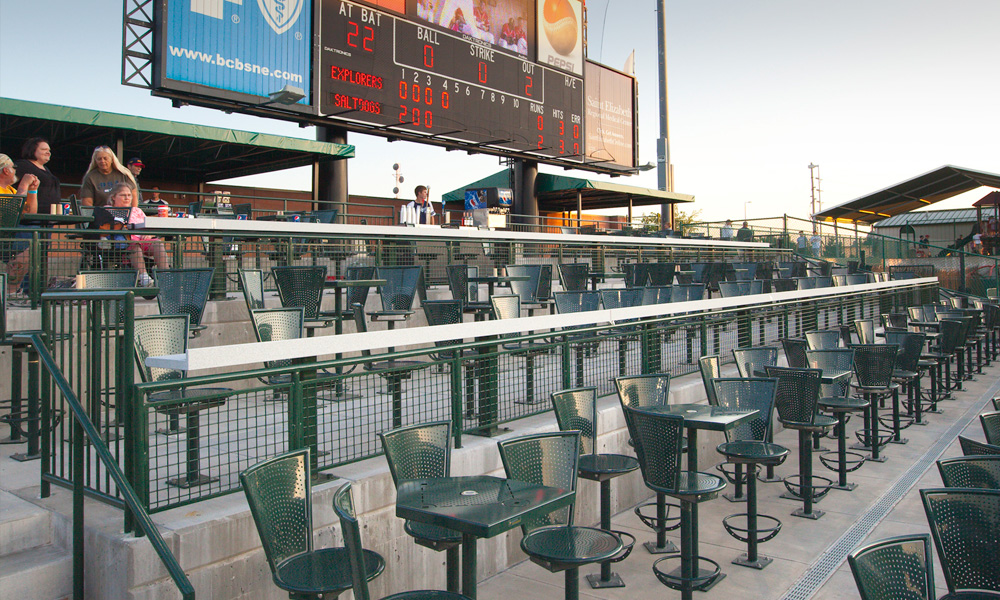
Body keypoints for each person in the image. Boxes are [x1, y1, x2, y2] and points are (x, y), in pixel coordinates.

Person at [108, 183, 168, 286]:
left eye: (129, 195)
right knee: (134, 245)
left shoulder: (137, 210)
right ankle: (144, 278)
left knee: (158, 244)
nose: (127, 198)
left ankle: (166, 278)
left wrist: (148, 234)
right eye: (123, 195)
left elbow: (148, 226)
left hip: (143, 241)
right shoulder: (108, 210)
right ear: (113, 197)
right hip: (124, 243)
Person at [0, 153, 41, 296]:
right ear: (6, 170)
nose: (15, 171)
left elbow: (30, 212)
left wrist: (32, 190)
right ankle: (12, 290)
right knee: (29, 234)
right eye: (13, 167)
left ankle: (13, 290)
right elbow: (11, 214)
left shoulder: (11, 190)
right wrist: (23, 184)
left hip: (10, 235)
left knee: (35, 230)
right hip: (3, 235)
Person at [14, 138, 61, 216]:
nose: (48, 153)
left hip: (48, 217)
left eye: (49, 150)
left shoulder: (46, 169)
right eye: (43, 149)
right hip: (32, 216)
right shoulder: (22, 165)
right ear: (32, 150)